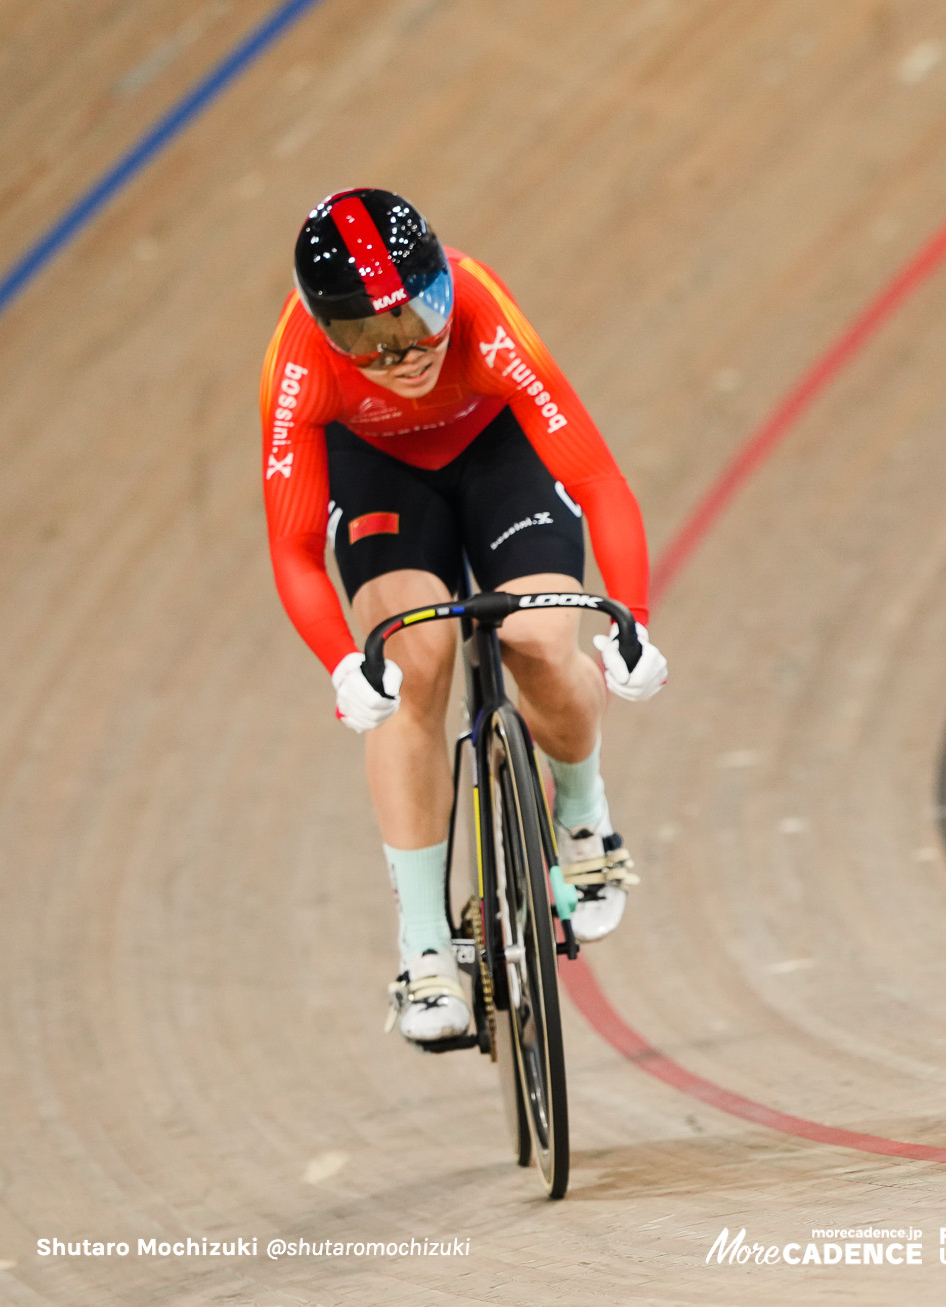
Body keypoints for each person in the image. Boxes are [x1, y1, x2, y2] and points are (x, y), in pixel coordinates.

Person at [260, 189, 669, 1044]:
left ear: (443, 277)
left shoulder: (483, 312)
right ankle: (424, 951)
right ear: (327, 333)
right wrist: (343, 659)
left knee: (539, 637)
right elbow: (295, 546)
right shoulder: (297, 368)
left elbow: (597, 480)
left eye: (422, 310)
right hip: (380, 475)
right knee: (413, 665)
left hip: (498, 451)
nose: (406, 351)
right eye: (370, 340)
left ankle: (584, 813)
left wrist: (629, 618)